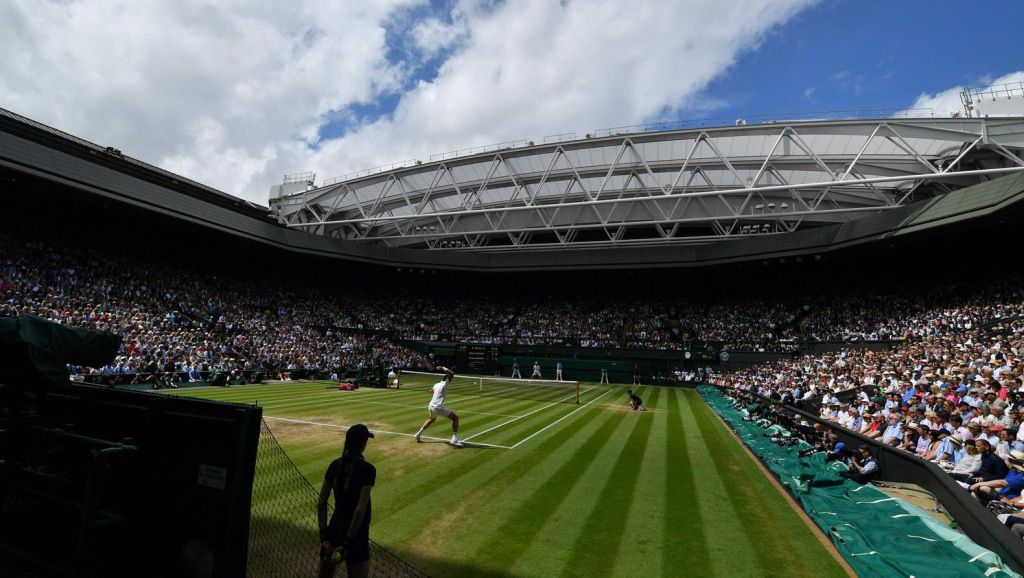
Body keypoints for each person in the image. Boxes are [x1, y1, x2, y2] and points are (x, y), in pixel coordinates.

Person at [317, 424, 376, 578]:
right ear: (363, 444)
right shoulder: (368, 470)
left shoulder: (334, 465)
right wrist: (348, 543)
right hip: (357, 535)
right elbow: (359, 510)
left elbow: (321, 503)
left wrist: (324, 537)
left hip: (334, 529)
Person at [413, 366, 463, 447]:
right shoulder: (444, 384)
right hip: (437, 407)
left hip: (431, 406)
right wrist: (442, 368)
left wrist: (436, 392)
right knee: (455, 418)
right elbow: (451, 373)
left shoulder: (436, 384)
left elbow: (430, 391)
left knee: (431, 419)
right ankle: (454, 439)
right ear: (447, 379)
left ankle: (418, 434)